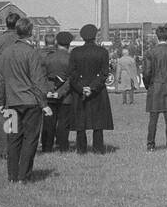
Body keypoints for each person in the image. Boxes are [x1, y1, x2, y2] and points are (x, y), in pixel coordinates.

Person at [0, 17, 49, 183]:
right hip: (30, 102)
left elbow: (1, 80)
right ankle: (23, 176)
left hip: (11, 103)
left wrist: (0, 102)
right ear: (31, 32)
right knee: (30, 139)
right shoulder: (31, 53)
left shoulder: (5, 53)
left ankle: (12, 175)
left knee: (13, 139)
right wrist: (44, 104)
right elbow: (38, 80)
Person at [67, 23, 113, 154]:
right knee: (98, 121)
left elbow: (71, 73)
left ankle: (81, 149)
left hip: (79, 90)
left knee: (81, 121)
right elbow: (104, 73)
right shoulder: (102, 52)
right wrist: (92, 87)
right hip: (97, 91)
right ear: (95, 35)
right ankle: (98, 148)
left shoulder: (75, 52)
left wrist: (82, 88)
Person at [141, 24, 167, 151]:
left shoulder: (150, 52)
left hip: (155, 87)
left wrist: (148, 85)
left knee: (153, 119)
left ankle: (150, 145)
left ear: (156, 36)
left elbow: (147, 72)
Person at [0, 10, 22, 165]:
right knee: (15, 115)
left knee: (2, 114)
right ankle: (13, 149)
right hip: (17, 80)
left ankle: (3, 150)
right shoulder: (21, 40)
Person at [41, 31, 73, 152]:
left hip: (49, 93)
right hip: (65, 96)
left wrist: (47, 90)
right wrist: (61, 92)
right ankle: (63, 146)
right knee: (63, 122)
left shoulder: (48, 58)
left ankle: (46, 147)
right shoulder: (70, 58)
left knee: (49, 121)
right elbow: (71, 79)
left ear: (57, 42)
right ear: (69, 44)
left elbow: (42, 76)